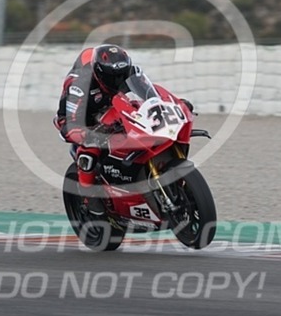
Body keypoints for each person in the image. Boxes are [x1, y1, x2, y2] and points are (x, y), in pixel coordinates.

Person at [54, 44, 193, 215]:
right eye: (112, 76)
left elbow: (152, 96)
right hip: (80, 117)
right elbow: (68, 125)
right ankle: (90, 199)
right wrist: (89, 134)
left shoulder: (130, 72)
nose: (118, 80)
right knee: (88, 153)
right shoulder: (80, 86)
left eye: (121, 75)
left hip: (111, 107)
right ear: (99, 73)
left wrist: (174, 105)